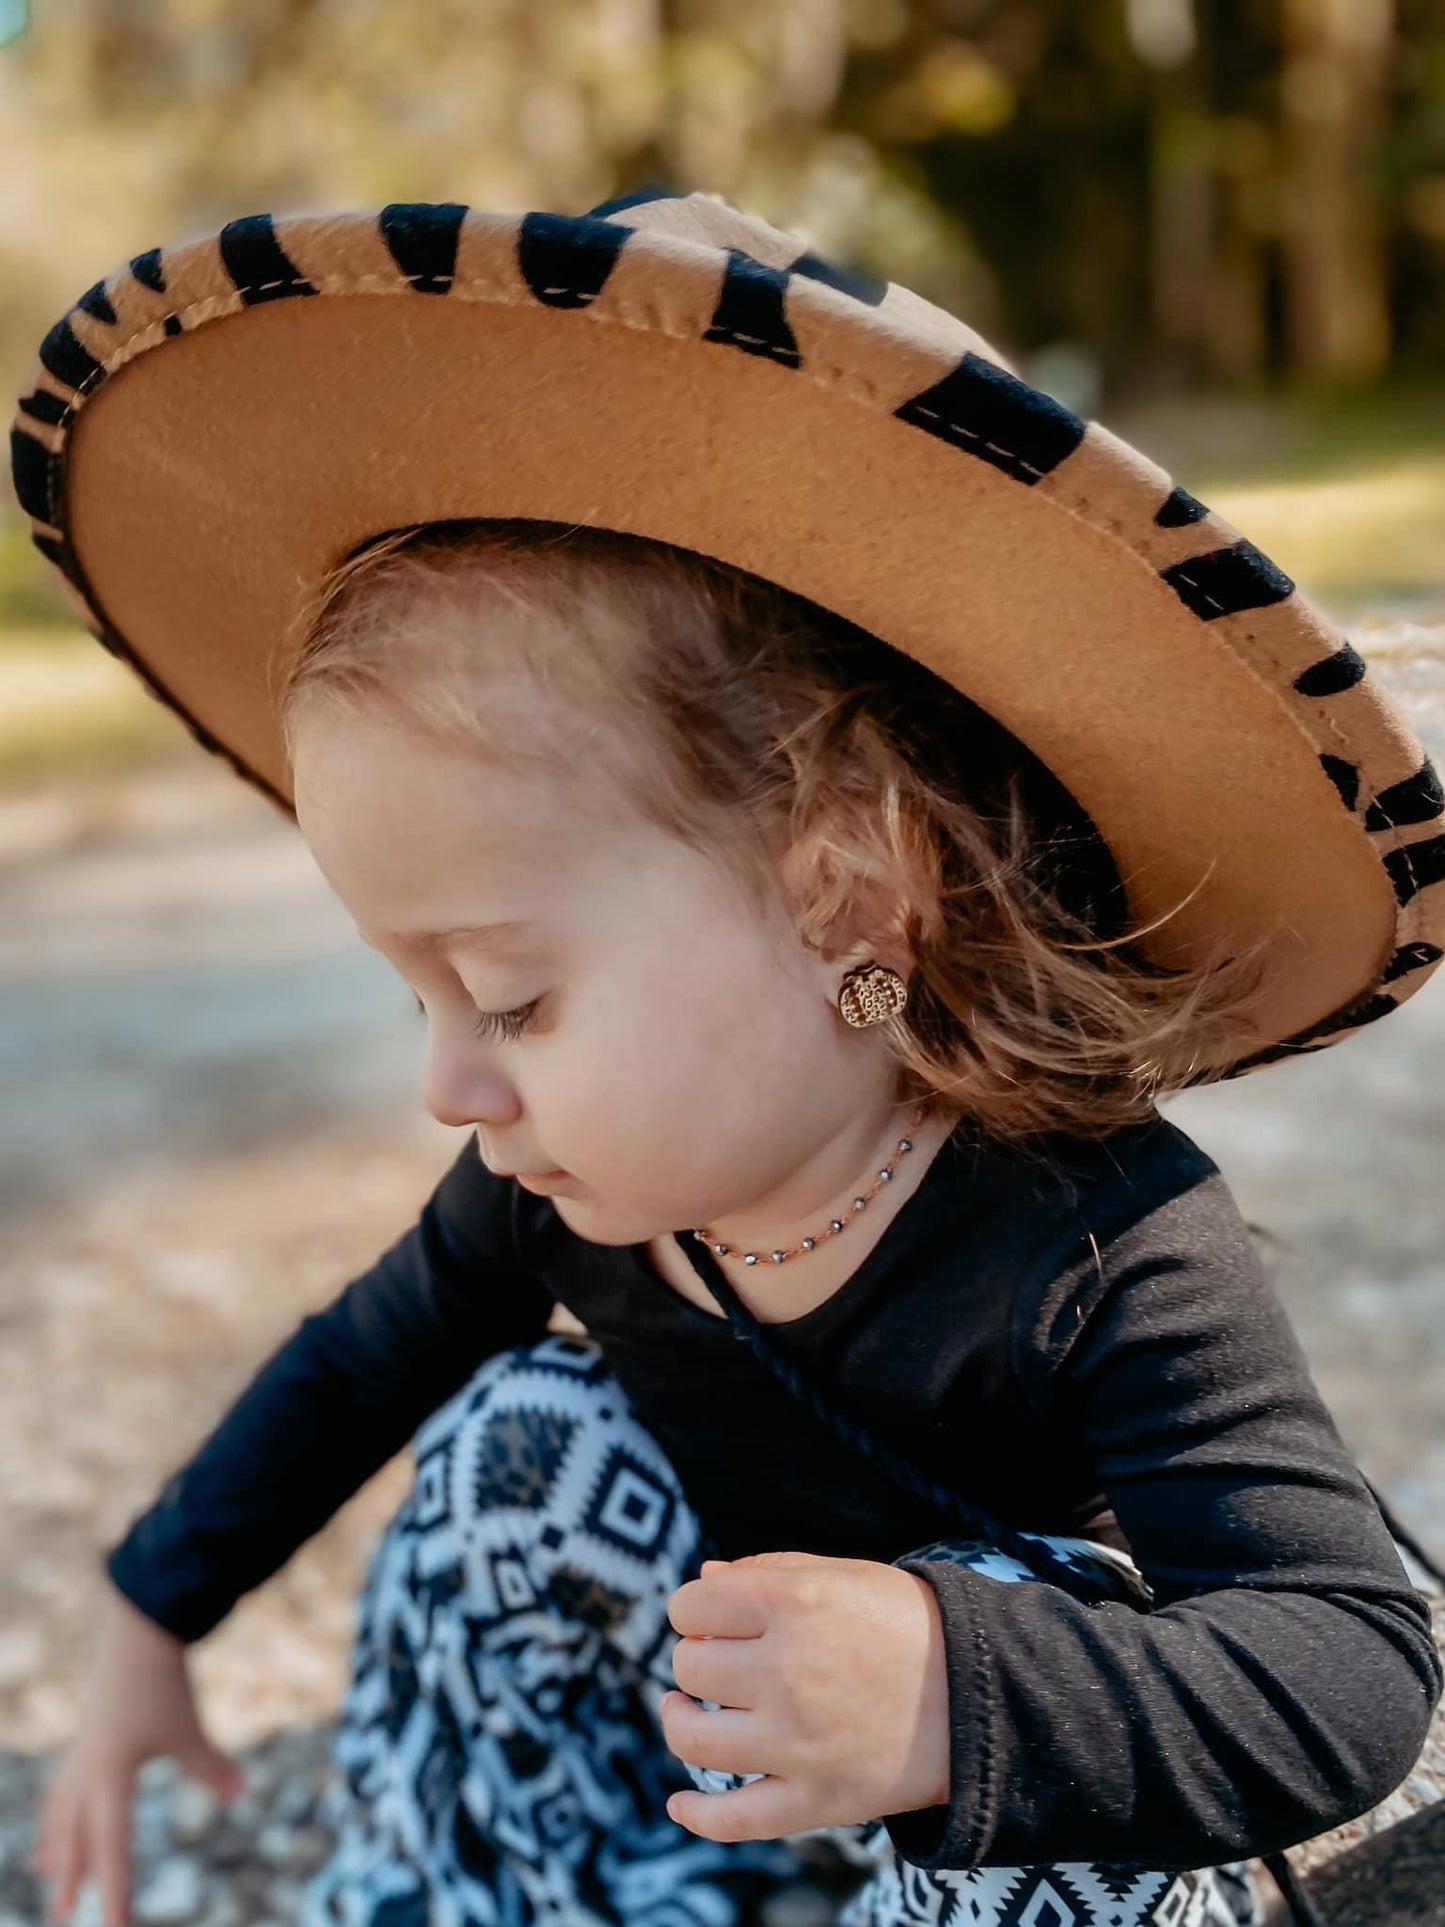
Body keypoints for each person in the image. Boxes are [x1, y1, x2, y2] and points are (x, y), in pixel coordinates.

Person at [13, 186, 1445, 1927]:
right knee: (509, 1445)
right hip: (706, 1813)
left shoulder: (1100, 1236)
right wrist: (148, 1620)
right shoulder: (562, 1194)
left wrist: (954, 1684)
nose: (449, 1089)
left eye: (511, 999)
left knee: (1037, 1608)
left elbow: (1350, 1661)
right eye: (417, 1000)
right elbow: (351, 1368)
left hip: (971, 1837)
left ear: (847, 900)